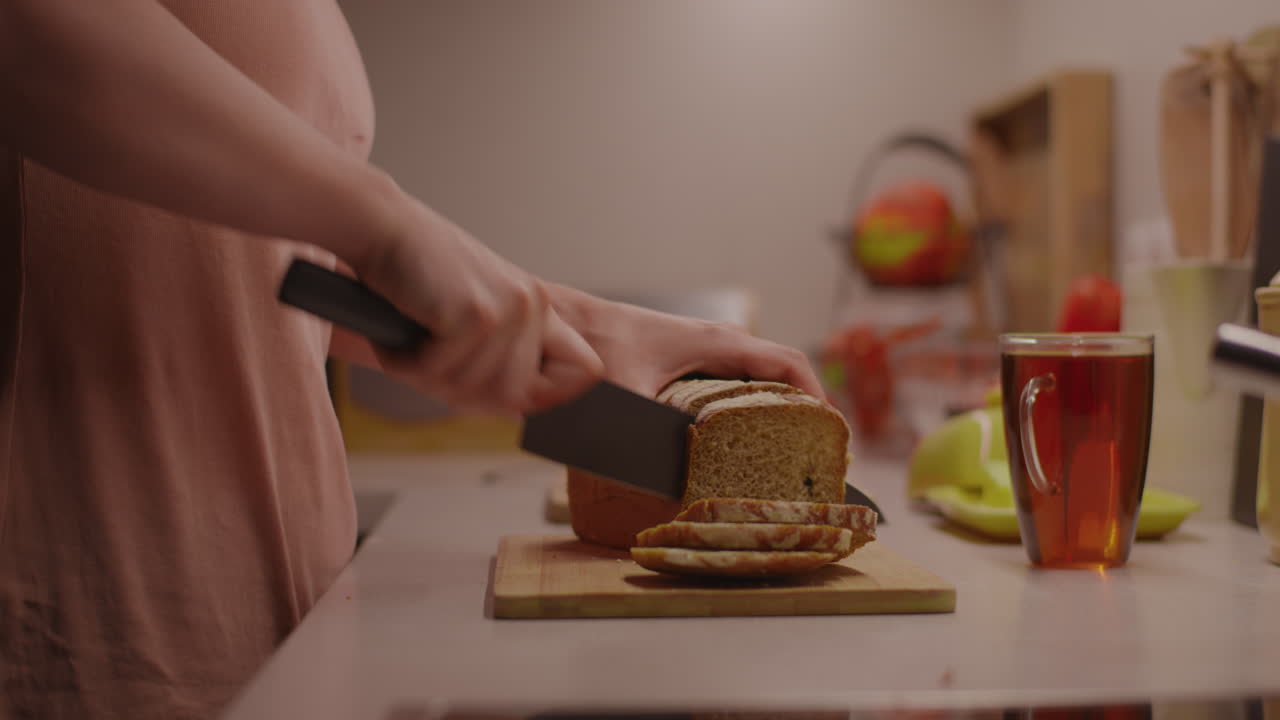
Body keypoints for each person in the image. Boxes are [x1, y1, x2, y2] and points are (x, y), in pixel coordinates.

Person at [0, 1, 824, 718]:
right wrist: (380, 217)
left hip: (265, 634)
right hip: (89, 617)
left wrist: (592, 329)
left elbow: (262, 266)